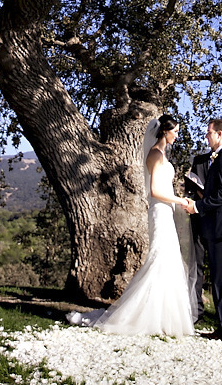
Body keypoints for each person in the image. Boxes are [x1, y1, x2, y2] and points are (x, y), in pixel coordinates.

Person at [67, 114, 195, 336]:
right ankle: (143, 315)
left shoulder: (162, 154)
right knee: (159, 259)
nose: (177, 135)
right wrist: (180, 200)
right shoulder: (155, 154)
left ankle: (164, 317)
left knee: (169, 260)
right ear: (165, 131)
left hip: (166, 211)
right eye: (175, 131)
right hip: (159, 211)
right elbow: (155, 191)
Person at [185, 118, 222, 340]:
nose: (206, 137)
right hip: (215, 227)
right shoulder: (218, 158)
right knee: (218, 279)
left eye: (209, 133)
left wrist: (197, 206)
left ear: (219, 135)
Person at [184, 148, 211, 322]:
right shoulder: (199, 160)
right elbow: (190, 188)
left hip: (217, 220)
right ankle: (197, 311)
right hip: (199, 218)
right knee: (196, 265)